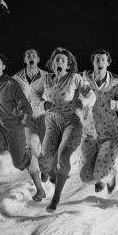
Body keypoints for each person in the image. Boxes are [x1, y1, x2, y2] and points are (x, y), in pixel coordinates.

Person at [0, 52, 45, 201]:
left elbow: (24, 103)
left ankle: (40, 189)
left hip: (13, 125)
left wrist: (24, 112)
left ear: (3, 66)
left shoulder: (11, 84)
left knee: (19, 162)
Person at [32, 47, 96, 213]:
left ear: (68, 65)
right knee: (44, 159)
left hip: (72, 123)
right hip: (52, 122)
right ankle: (46, 171)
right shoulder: (45, 80)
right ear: (52, 64)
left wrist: (83, 102)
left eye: (63, 60)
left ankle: (55, 198)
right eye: (57, 60)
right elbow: (34, 94)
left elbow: (91, 95)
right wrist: (42, 104)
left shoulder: (75, 78)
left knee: (63, 154)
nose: (59, 62)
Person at [78, 48, 118, 193]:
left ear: (108, 63)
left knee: (100, 172)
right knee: (85, 177)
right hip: (89, 135)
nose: (100, 62)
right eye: (97, 59)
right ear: (93, 62)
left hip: (110, 134)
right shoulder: (82, 80)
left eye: (103, 60)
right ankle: (103, 175)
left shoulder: (115, 83)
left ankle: (107, 176)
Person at [13, 46, 49, 184]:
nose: (31, 57)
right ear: (24, 59)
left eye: (34, 55)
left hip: (44, 117)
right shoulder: (16, 78)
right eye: (28, 55)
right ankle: (38, 177)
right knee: (30, 146)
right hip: (27, 118)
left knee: (46, 148)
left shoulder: (47, 77)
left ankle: (45, 168)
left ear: (38, 59)